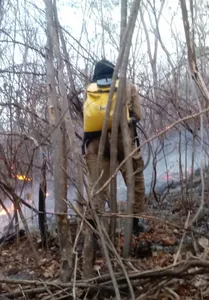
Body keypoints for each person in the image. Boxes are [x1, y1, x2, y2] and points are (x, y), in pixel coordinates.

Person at [83, 59, 147, 235]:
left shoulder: (90, 90)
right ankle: (135, 225)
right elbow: (138, 115)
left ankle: (94, 233)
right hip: (123, 141)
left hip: (96, 145)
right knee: (135, 181)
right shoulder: (127, 85)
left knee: (97, 189)